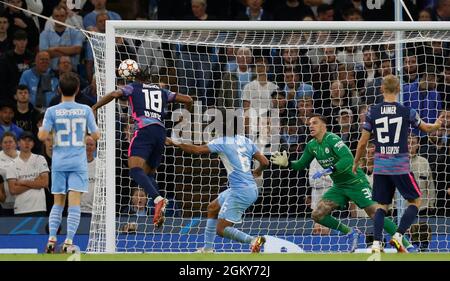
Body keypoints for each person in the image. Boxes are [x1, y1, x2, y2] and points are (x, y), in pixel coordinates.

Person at [271, 114, 415, 252]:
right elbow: (300, 165)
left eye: (314, 123)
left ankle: (407, 245)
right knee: (317, 214)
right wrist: (288, 163)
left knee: (376, 213)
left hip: (355, 182)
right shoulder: (311, 145)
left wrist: (331, 168)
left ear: (324, 126)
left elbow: (348, 159)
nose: (310, 126)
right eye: (309, 124)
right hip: (340, 186)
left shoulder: (333, 139)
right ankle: (351, 232)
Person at [92, 66, 192, 228]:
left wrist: (95, 107)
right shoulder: (162, 91)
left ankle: (158, 199)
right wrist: (183, 120)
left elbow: (114, 94)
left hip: (144, 131)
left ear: (135, 78)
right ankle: (158, 207)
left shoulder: (133, 87)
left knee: (135, 169)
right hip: (161, 133)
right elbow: (188, 99)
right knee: (148, 174)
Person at [353, 74, 443, 253]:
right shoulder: (406, 111)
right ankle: (398, 236)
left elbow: (363, 142)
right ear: (399, 89)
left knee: (381, 207)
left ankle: (377, 244)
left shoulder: (372, 112)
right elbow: (426, 128)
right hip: (400, 166)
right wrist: (437, 125)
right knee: (416, 201)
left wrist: (356, 163)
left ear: (381, 89)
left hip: (380, 166)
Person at [165, 118, 269, 253]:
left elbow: (197, 150)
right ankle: (208, 249)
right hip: (248, 188)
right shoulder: (246, 140)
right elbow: (265, 162)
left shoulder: (221, 141)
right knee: (212, 208)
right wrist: (256, 172)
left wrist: (175, 143)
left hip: (240, 191)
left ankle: (253, 240)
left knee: (221, 229)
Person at [38, 72, 100, 253]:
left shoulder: (51, 111)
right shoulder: (86, 109)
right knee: (74, 204)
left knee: (58, 202)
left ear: (58, 89)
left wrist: (50, 132)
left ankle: (51, 240)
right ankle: (68, 242)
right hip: (78, 163)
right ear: (78, 89)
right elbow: (96, 135)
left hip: (59, 162)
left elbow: (42, 136)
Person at [6, 131, 49, 216]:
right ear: (18, 143)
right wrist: (35, 182)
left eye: (30, 140)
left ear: (33, 144)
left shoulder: (40, 159)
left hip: (39, 208)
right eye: (24, 140)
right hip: (21, 209)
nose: (27, 143)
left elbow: (44, 183)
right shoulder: (12, 164)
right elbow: (13, 190)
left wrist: (23, 182)